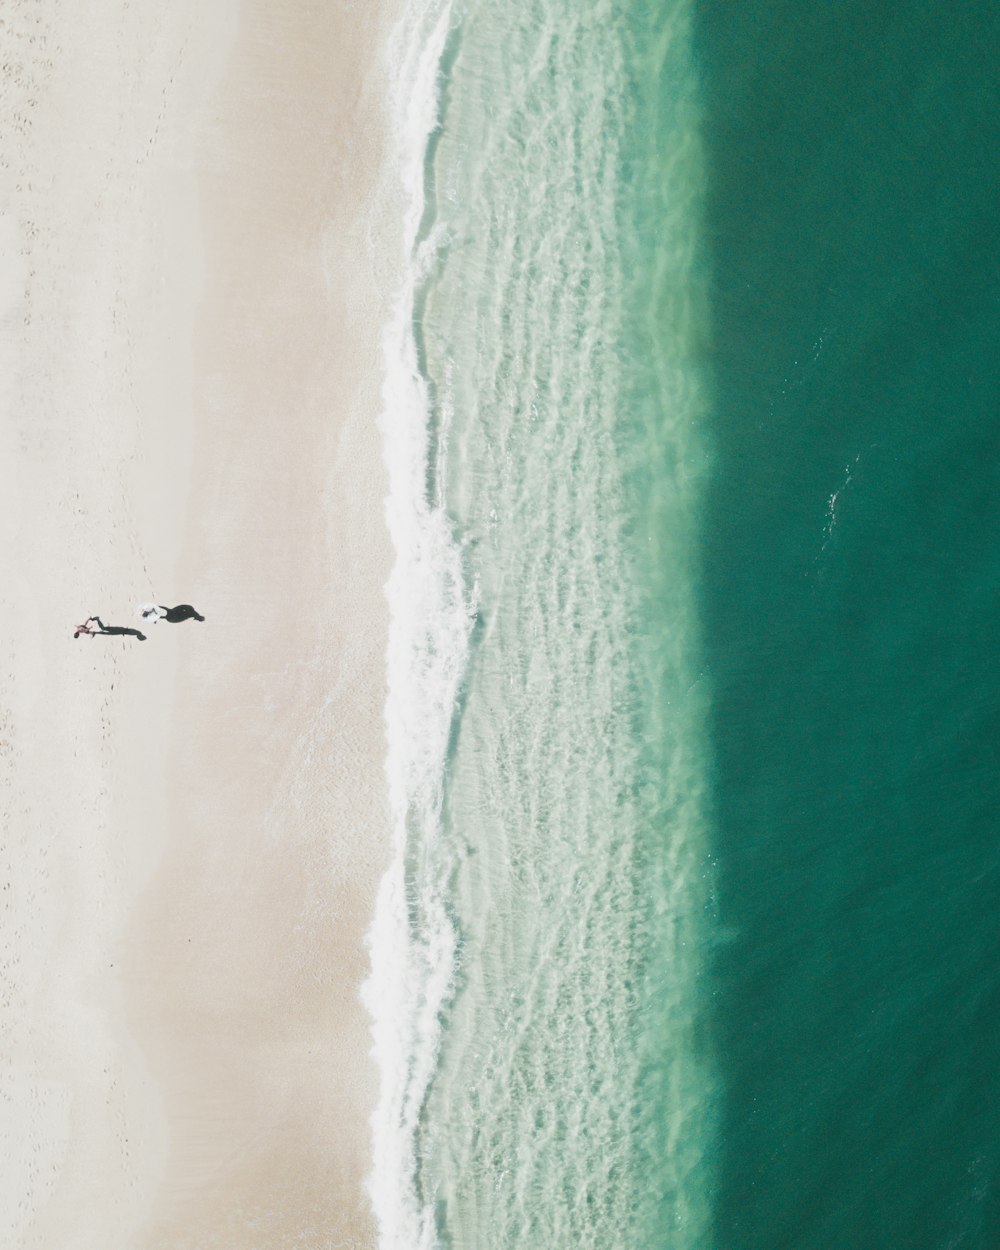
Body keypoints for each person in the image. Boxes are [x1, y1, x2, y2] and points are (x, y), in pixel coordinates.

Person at [74, 616, 146, 641]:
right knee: (100, 629)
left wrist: (90, 627)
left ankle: (97, 620)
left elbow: (85, 629)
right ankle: (93, 628)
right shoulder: (78, 630)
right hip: (83, 627)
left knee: (103, 629)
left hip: (85, 628)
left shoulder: (80, 631)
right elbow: (83, 625)